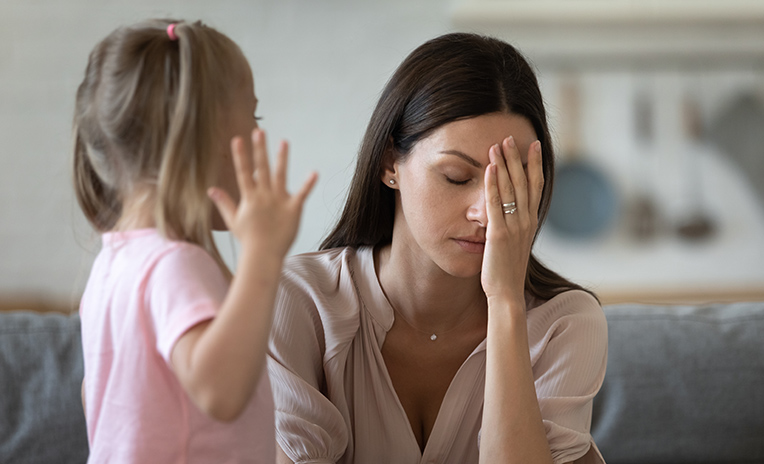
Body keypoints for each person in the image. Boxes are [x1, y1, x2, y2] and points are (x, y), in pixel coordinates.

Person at [268, 32, 607, 464]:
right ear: (391, 162)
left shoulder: (566, 322)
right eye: (456, 176)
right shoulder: (297, 301)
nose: (487, 212)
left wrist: (505, 303)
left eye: (511, 181)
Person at [73, 19, 316, 463]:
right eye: (253, 114)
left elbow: (96, 395)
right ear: (203, 136)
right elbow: (220, 392)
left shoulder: (113, 264)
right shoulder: (176, 264)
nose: (260, 133)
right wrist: (262, 255)